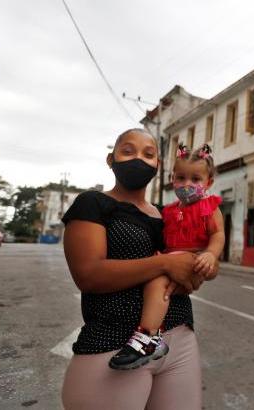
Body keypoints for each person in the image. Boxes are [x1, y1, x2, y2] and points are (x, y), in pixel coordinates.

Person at [61, 128, 216, 409]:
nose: (138, 159)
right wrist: (166, 263)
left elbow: (191, 267)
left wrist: (195, 270)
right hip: (114, 343)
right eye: (128, 151)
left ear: (158, 165)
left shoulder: (168, 214)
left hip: (180, 340)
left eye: (149, 154)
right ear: (111, 159)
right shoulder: (93, 203)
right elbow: (88, 275)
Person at [109, 143, 224, 370]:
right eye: (181, 178)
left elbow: (217, 234)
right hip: (175, 260)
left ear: (208, 182)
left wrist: (211, 255)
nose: (187, 184)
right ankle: (153, 334)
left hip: (197, 258)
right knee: (159, 285)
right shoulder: (170, 210)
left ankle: (149, 337)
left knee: (158, 283)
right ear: (172, 178)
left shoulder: (209, 206)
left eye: (195, 179)